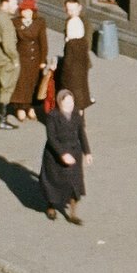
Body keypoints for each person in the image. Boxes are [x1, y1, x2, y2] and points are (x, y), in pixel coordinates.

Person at [40, 90, 89, 223]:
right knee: (54, 182)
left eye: (71, 102)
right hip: (55, 155)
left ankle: (72, 214)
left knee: (74, 184)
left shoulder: (76, 115)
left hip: (74, 152)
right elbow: (52, 138)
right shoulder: (52, 116)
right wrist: (62, 154)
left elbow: (81, 134)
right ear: (59, 102)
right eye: (66, 102)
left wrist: (87, 152)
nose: (70, 105)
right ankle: (51, 205)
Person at [10, 0, 48, 123]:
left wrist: (43, 60)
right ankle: (20, 107)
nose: (26, 13)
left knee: (33, 83)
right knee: (21, 84)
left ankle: (30, 107)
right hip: (21, 58)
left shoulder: (39, 23)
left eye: (29, 11)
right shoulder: (15, 23)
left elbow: (43, 43)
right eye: (24, 11)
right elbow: (12, 42)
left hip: (35, 59)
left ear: (33, 11)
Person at [0, 0, 22, 130]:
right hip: (6, 59)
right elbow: (8, 45)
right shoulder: (6, 21)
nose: (16, 7)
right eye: (14, 4)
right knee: (6, 88)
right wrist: (15, 59)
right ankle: (2, 119)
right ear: (5, 3)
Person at [54, 0, 93, 112]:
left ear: (79, 8)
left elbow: (87, 43)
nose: (70, 12)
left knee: (77, 90)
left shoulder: (83, 23)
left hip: (77, 61)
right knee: (78, 89)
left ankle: (78, 117)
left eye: (73, 9)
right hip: (74, 59)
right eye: (68, 10)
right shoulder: (70, 20)